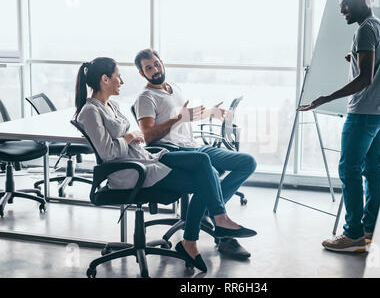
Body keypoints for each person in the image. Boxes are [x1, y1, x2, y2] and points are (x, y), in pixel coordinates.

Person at [74, 57, 257, 272]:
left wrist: (136, 138)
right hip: (130, 173)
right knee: (204, 178)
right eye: (118, 76)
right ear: (105, 79)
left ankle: (209, 225)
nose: (122, 81)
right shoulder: (90, 112)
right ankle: (203, 231)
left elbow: (133, 138)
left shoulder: (111, 105)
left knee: (203, 164)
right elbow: (108, 153)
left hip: (144, 159)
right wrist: (131, 137)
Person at [297, 0, 380, 252]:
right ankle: (369, 229)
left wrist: (324, 98)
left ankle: (352, 235)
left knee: (348, 169)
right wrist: (354, 59)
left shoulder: (365, 30)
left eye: (346, 3)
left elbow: (366, 78)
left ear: (363, 1)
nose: (341, 8)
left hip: (364, 112)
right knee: (371, 168)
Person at [133, 48, 257, 260]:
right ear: (142, 73)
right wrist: (178, 119)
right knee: (206, 173)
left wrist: (210, 113)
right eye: (148, 68)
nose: (155, 70)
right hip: (172, 152)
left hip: (193, 146)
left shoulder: (174, 87)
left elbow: (184, 117)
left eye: (156, 64)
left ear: (162, 61)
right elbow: (148, 136)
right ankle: (216, 220)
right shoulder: (146, 97)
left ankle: (210, 211)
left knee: (247, 162)